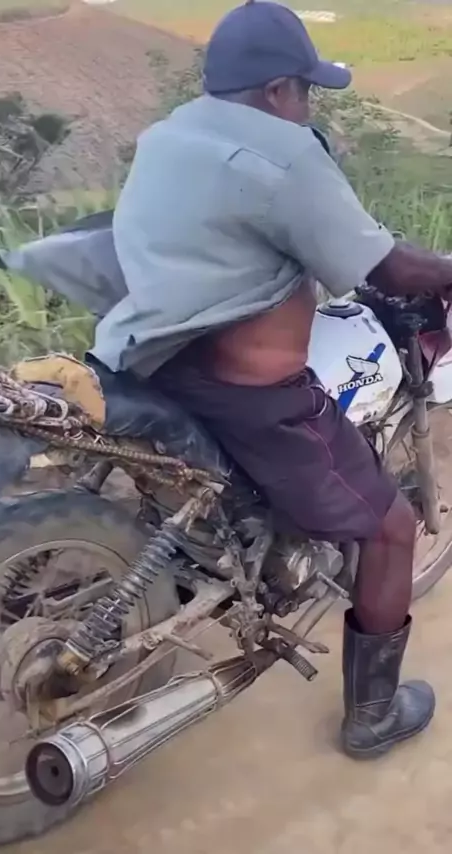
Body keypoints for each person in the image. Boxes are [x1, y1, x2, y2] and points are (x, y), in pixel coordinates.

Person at [91, 1, 452, 759]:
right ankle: (373, 716)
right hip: (248, 394)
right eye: (307, 91)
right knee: (390, 528)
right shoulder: (283, 155)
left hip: (146, 358)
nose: (308, 106)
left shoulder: (169, 135)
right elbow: (386, 267)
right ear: (280, 89)